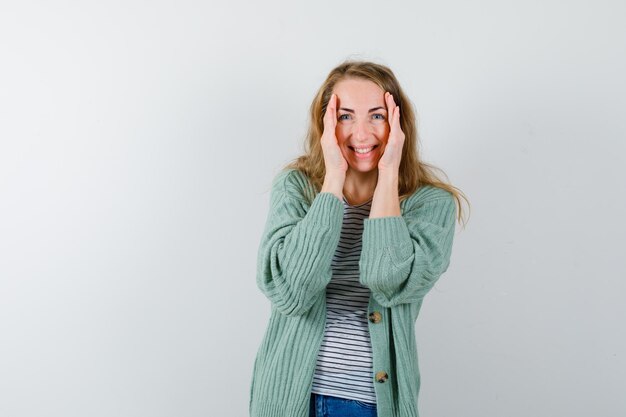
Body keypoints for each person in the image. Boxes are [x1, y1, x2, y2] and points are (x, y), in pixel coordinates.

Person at [249, 60, 469, 417]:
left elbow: (386, 280)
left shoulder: (430, 204)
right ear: (326, 123)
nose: (361, 133)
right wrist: (333, 177)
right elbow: (292, 291)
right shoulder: (297, 188)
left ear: (398, 124)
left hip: (367, 403)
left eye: (377, 116)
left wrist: (388, 174)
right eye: (346, 116)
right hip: (287, 399)